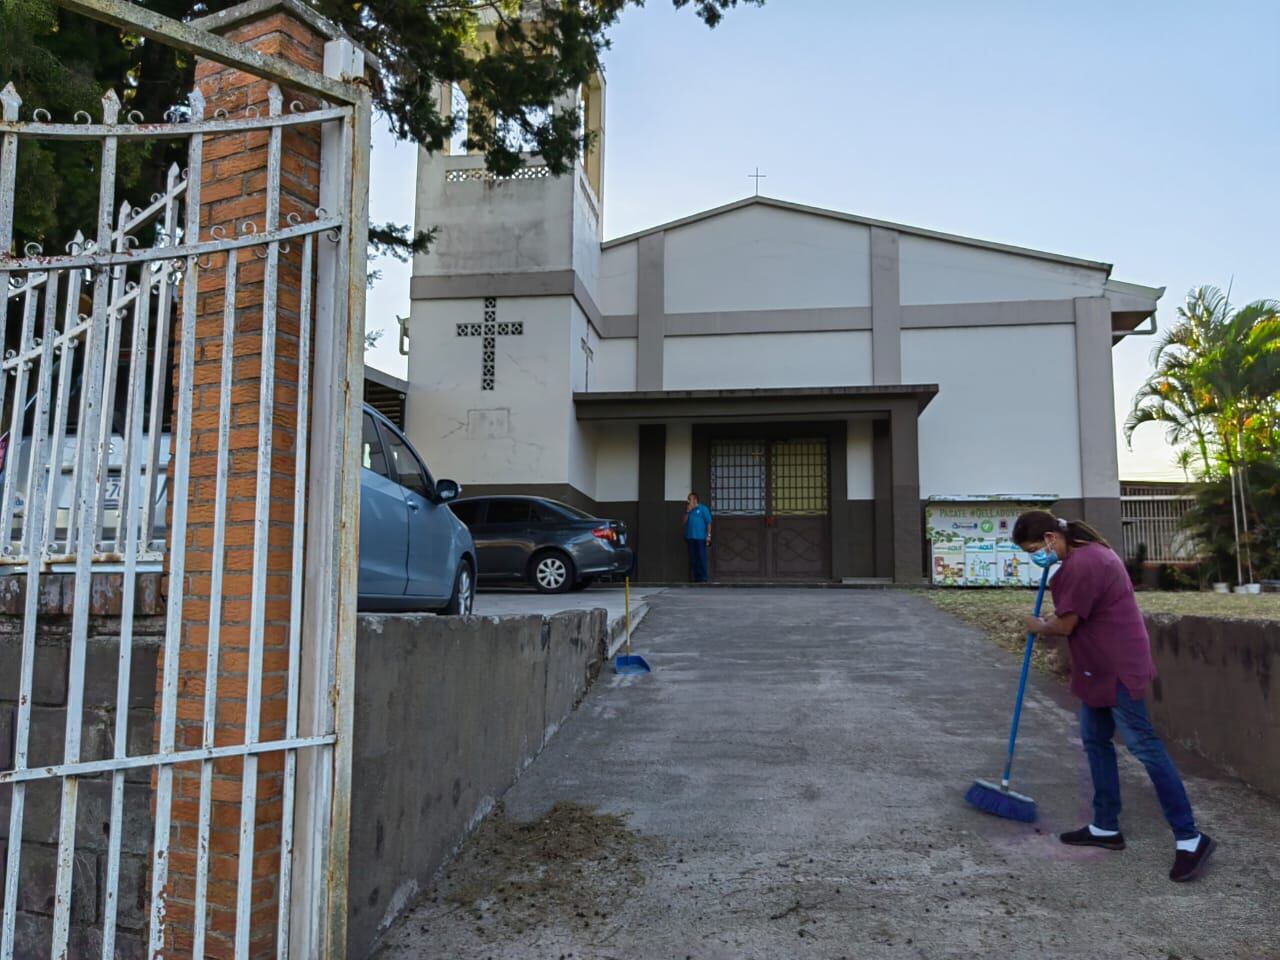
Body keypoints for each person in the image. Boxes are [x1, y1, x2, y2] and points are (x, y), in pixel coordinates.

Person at [1013, 510, 1214, 882]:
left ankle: (1190, 837)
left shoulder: (1082, 565)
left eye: (1032, 550)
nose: (1033, 558)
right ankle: (1106, 827)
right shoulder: (1084, 556)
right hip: (1099, 669)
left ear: (1050, 539)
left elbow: (1066, 623)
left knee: (1145, 747)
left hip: (1117, 668)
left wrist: (1038, 626)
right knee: (1095, 739)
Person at [683, 492, 713, 583]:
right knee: (693, 559)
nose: (688, 501)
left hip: (700, 538)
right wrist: (687, 511)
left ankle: (703, 578)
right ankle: (696, 579)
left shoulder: (703, 508)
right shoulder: (689, 510)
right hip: (690, 538)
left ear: (695, 500)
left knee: (701, 557)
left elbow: (709, 523)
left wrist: (708, 535)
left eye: (690, 499)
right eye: (688, 499)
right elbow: (683, 522)